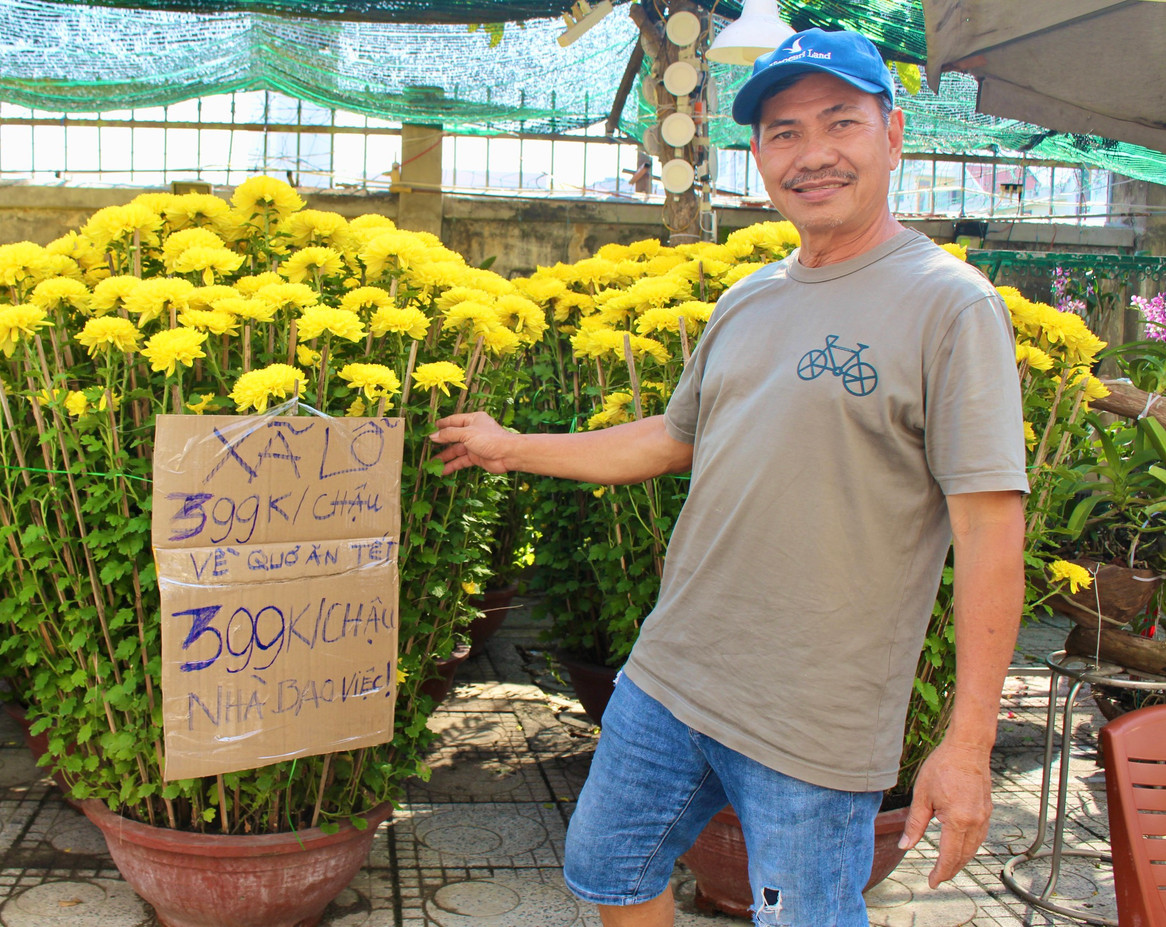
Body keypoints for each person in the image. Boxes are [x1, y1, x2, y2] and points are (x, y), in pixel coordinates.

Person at [430, 27, 1028, 927]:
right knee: (608, 868)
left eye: (840, 122)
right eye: (784, 131)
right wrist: (515, 444)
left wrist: (968, 743)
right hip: (672, 677)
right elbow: (672, 440)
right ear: (758, 153)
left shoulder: (949, 305)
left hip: (812, 721)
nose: (812, 153)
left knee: (805, 916)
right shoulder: (750, 298)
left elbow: (989, 528)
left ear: (894, 134)